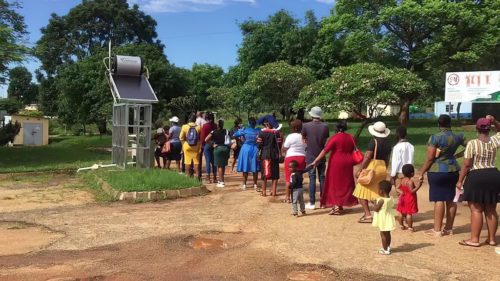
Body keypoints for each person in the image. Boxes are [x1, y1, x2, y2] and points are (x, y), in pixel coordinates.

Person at [418, 114, 466, 237]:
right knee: (451, 199)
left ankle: (437, 230)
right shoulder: (458, 137)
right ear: (450, 124)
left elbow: (430, 158)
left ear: (439, 124)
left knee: (439, 199)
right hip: (453, 169)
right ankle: (449, 228)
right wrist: (457, 155)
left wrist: (422, 171)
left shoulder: (435, 138)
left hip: (437, 170)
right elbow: (470, 148)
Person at [456, 116, 500, 247]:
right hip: (493, 175)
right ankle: (492, 239)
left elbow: (467, 164)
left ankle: (475, 239)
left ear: (477, 128)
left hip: (477, 176)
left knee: (476, 209)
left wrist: (460, 181)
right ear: (489, 128)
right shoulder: (494, 141)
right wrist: (495, 121)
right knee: (491, 209)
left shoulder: (472, 143)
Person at [311, 120, 358, 215]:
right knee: (345, 183)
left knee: (335, 184)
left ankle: (336, 205)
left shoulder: (335, 138)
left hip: (336, 162)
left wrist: (316, 160)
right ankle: (340, 204)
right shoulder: (351, 137)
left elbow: (325, 150)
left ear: (336, 128)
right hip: (348, 162)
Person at [353, 121, 392, 223]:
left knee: (360, 190)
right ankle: (380, 212)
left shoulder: (373, 142)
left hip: (373, 167)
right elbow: (387, 158)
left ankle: (367, 214)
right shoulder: (388, 143)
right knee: (376, 191)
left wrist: (360, 169)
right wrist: (384, 168)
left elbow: (367, 157)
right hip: (382, 168)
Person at [301, 106, 329, 210]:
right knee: (322, 178)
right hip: (321, 155)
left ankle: (312, 203)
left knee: (312, 179)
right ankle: (323, 202)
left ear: (312, 115)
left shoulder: (306, 126)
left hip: (310, 156)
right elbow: (325, 141)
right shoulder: (325, 126)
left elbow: (303, 139)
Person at [257, 116, 283, 197]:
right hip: (274, 154)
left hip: (264, 154)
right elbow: (279, 144)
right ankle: (274, 191)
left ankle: (264, 191)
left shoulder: (261, 133)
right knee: (275, 173)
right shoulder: (277, 133)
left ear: (265, 124)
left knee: (264, 173)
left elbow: (259, 145)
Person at [282, 119, 306, 203]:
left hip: (290, 157)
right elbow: (306, 146)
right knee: (299, 178)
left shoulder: (290, 136)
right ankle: (299, 197)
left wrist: (282, 151)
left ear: (294, 128)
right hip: (302, 158)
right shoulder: (304, 136)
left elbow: (285, 148)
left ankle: (287, 197)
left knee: (289, 178)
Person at [234, 117, 261, 190]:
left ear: (249, 123)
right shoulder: (258, 131)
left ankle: (244, 184)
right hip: (255, 148)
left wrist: (241, 132)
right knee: (255, 166)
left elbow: (235, 134)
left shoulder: (245, 130)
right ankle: (255, 184)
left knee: (245, 166)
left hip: (245, 148)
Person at [371, 180, 396, 255]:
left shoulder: (381, 200)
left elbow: (376, 209)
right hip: (388, 218)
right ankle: (388, 247)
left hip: (383, 219)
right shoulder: (391, 198)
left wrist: (374, 202)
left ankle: (385, 250)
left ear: (381, 191)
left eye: (378, 189)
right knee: (388, 234)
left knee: (383, 234)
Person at [205, 119, 231, 188]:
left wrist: (213, 144)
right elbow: (231, 138)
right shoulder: (227, 131)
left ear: (217, 125)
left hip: (218, 149)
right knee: (223, 165)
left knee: (219, 166)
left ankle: (221, 182)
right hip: (225, 149)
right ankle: (221, 180)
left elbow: (206, 139)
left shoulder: (213, 132)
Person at [396, 164, 422, 232]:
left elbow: (397, 188)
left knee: (401, 212)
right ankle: (410, 227)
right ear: (412, 173)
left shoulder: (401, 180)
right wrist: (418, 186)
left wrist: (401, 192)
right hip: (409, 199)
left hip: (402, 198)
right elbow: (411, 191)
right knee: (409, 213)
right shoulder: (410, 182)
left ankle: (401, 225)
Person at [179, 114, 201, 179]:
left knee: (187, 161)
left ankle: (187, 176)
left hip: (187, 145)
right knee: (196, 161)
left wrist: (183, 145)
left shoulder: (184, 126)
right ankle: (197, 176)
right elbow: (200, 138)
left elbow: (181, 137)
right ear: (195, 120)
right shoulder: (199, 127)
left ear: (189, 119)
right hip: (196, 146)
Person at [201, 113, 217, 183]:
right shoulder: (215, 125)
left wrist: (202, 146)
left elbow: (202, 137)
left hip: (207, 144)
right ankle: (215, 178)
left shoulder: (205, 126)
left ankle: (208, 179)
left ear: (207, 118)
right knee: (214, 161)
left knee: (208, 161)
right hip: (214, 144)